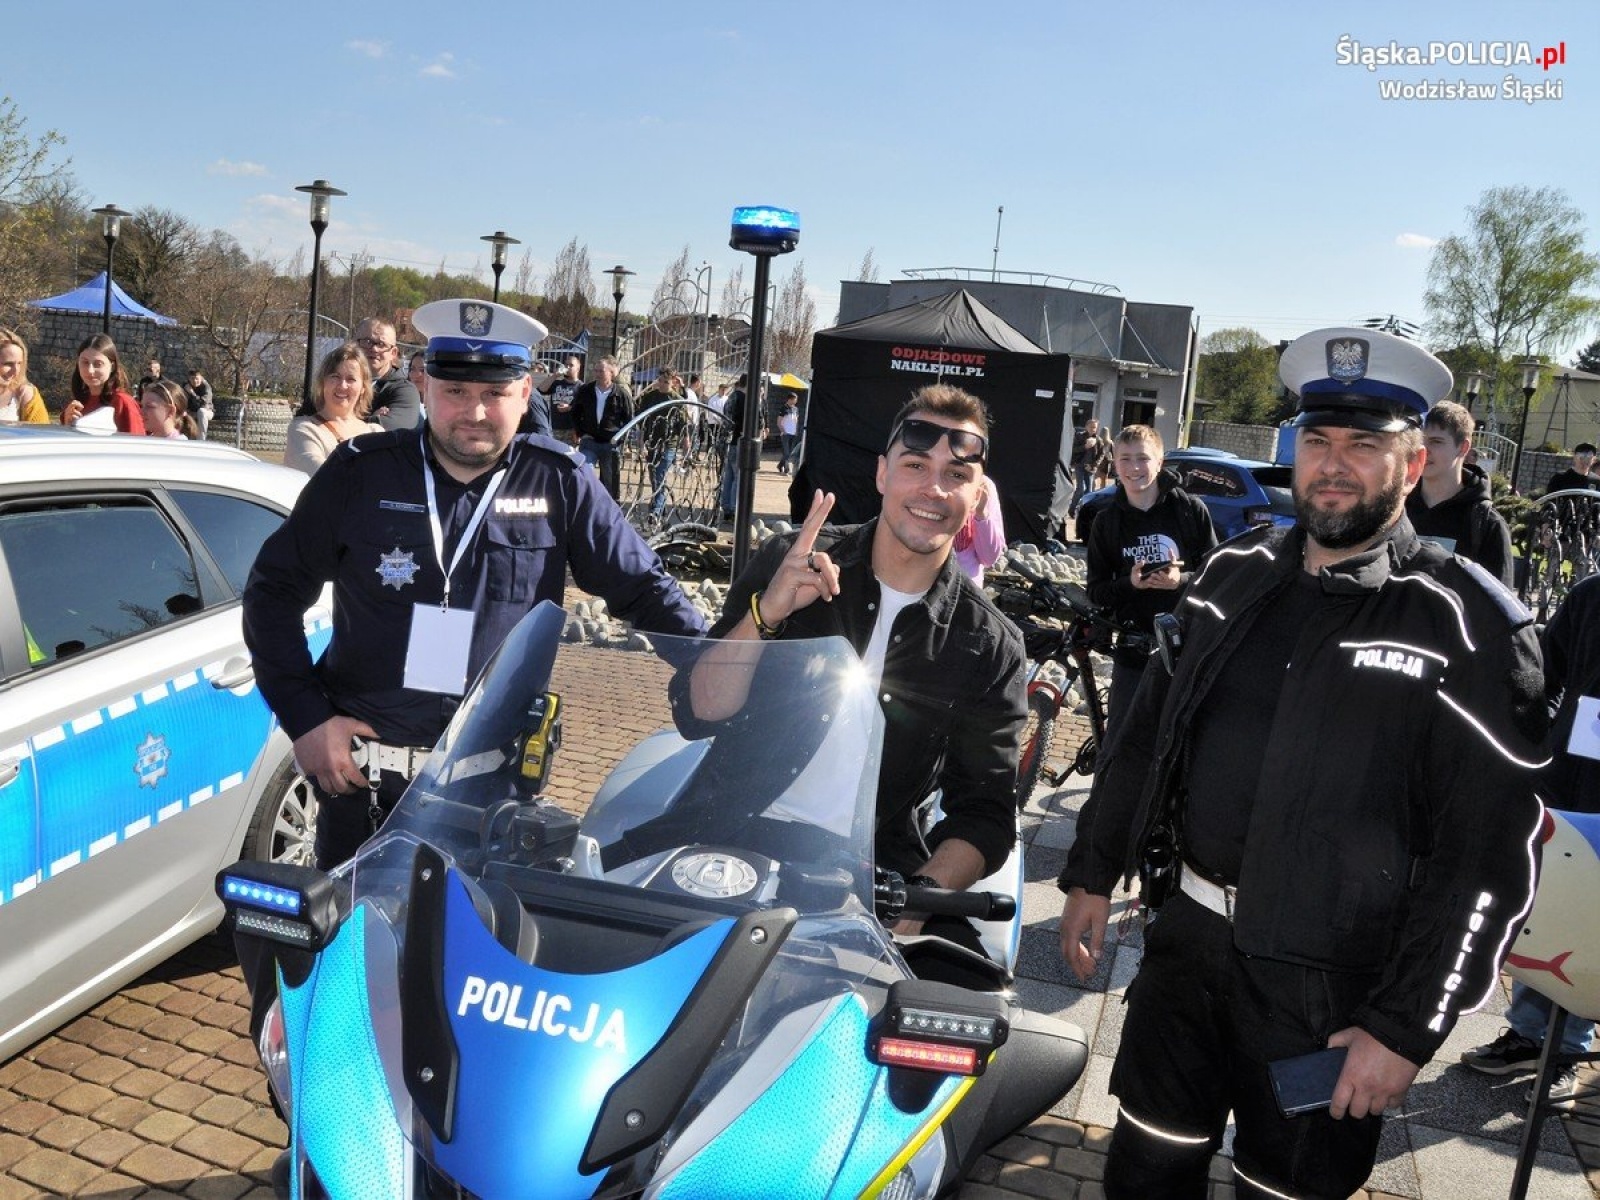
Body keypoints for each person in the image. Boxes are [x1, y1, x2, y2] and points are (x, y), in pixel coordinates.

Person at [1057, 326, 1546, 1199]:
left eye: (1365, 445)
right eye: (1318, 441)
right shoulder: (1231, 576)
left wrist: (1404, 1029)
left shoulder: (1467, 625)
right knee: (1145, 1171)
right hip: (1190, 954)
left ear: (1412, 459)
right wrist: (1093, 872)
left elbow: (1488, 856)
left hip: (1333, 992)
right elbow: (1145, 740)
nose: (1334, 465)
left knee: (1282, 1191)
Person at [242, 298, 704, 870]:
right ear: (426, 384)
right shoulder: (360, 472)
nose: (476, 413)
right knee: (355, 953)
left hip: (493, 801)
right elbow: (272, 593)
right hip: (363, 790)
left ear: (526, 389)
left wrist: (723, 661)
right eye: (457, 392)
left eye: (495, 393)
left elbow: (645, 589)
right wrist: (306, 717)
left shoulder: (560, 482)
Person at [682, 384, 1025, 967]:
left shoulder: (989, 643)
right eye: (916, 466)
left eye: (956, 474)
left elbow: (985, 813)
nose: (934, 489)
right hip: (724, 842)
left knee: (958, 1014)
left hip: (870, 875)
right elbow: (697, 711)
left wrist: (918, 897)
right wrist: (767, 614)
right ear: (882, 474)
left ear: (977, 497)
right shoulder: (794, 561)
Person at [1459, 572, 1600, 1109]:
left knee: (1591, 927)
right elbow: (1546, 671)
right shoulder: (1590, 595)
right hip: (1567, 784)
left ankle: (1567, 1050)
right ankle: (1526, 1035)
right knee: (1544, 912)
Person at [1085, 424, 1216, 742]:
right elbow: (1097, 592)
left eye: (1143, 458)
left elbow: (1218, 578)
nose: (1134, 468)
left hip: (1186, 652)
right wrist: (1130, 584)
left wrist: (1180, 581)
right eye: (1125, 459)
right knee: (1121, 745)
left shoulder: (1188, 510)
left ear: (1160, 462)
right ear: (1114, 464)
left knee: (1180, 745)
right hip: (1133, 652)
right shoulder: (1107, 521)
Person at [1404, 399, 1514, 586]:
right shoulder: (1395, 508)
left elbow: (1497, 606)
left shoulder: (1486, 525)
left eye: (1436, 442)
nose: (1424, 451)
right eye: (1419, 441)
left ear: (1463, 447)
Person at [282, 343, 383, 475]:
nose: (342, 385)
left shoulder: (376, 433)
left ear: (363, 387)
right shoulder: (304, 429)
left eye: (351, 379)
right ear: (323, 382)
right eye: (335, 377)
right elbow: (323, 475)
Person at [571, 355, 633, 499]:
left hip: (610, 444)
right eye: (596, 370)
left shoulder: (621, 394)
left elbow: (629, 419)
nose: (598, 374)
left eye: (601, 371)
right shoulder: (586, 390)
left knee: (610, 481)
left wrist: (620, 440)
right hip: (589, 441)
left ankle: (610, 509)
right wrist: (580, 431)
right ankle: (587, 502)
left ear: (611, 373)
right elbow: (575, 412)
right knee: (585, 471)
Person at [60, 333, 144, 434]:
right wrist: (66, 424)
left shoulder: (122, 402)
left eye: (98, 364)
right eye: (85, 362)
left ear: (112, 366)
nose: (90, 370)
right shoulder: (77, 405)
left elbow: (137, 445)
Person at [354, 317, 423, 432]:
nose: (374, 349)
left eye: (381, 344)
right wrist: (373, 419)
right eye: (367, 342)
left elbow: (389, 432)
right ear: (354, 344)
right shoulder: (336, 382)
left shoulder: (405, 391)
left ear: (393, 353)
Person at [640, 371, 689, 522]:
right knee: (654, 476)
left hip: (669, 444)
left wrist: (686, 444)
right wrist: (641, 444)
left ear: (673, 382)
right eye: (660, 381)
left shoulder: (677, 400)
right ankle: (660, 507)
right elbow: (642, 422)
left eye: (665, 382)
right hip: (652, 442)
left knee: (660, 474)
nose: (661, 384)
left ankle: (655, 511)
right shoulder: (649, 397)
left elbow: (683, 425)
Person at [954, 474, 1006, 585]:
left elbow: (989, 558)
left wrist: (981, 513)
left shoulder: (985, 486)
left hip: (966, 588)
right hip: (922, 585)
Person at [0, 328, 48, 424]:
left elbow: (41, 434)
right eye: (8, 364)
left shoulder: (25, 394)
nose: (15, 371)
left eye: (19, 363)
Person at [535, 354, 583, 443]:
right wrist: (554, 375)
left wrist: (569, 408)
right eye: (566, 364)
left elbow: (584, 410)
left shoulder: (582, 387)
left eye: (571, 365)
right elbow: (540, 390)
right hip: (553, 429)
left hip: (570, 431)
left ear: (578, 368)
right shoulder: (557, 383)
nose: (567, 367)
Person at [1068, 417, 1103, 518]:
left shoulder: (1098, 440)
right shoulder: (1080, 436)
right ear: (1086, 427)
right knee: (1081, 489)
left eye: (1095, 427)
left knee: (1089, 491)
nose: (1093, 429)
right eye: (1091, 427)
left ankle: (1085, 512)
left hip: (1090, 468)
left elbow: (1101, 454)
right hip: (1080, 465)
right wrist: (1085, 447)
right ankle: (1072, 509)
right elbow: (1073, 450)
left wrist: (1093, 465)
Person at [185, 369, 214, 440]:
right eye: (192, 378)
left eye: (197, 378)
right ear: (189, 379)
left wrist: (192, 393)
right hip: (192, 412)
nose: (195, 381)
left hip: (207, 411)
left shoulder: (206, 387)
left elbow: (202, 404)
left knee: (201, 411)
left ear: (201, 378)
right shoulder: (186, 386)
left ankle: (201, 440)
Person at [776, 394, 800, 474]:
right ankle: (787, 469)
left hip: (793, 433)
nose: (796, 401)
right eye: (795, 399)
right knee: (787, 453)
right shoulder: (784, 408)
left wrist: (796, 430)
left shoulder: (796, 409)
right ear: (790, 399)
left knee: (790, 452)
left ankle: (780, 465)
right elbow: (779, 421)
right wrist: (783, 430)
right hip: (786, 433)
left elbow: (796, 421)